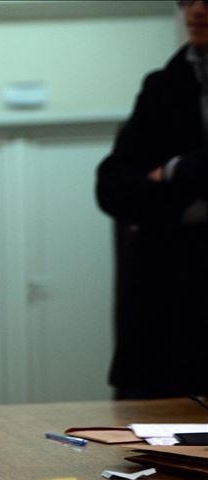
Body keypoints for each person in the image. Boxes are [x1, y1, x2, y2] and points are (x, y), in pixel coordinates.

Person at [95, 0, 208, 400]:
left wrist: (175, 170)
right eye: (187, 1)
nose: (195, 11)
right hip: (164, 303)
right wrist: (187, 200)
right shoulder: (163, 85)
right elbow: (112, 187)